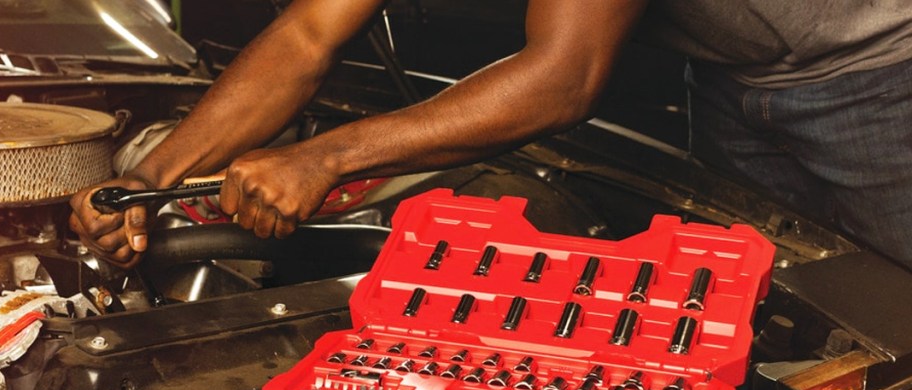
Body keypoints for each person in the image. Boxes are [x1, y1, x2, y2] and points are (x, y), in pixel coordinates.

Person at [70, 0, 912, 268]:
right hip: (730, 69)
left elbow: (565, 77)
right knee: (768, 319)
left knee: (888, 321)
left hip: (881, 68)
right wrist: (151, 183)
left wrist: (325, 154)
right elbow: (306, 37)